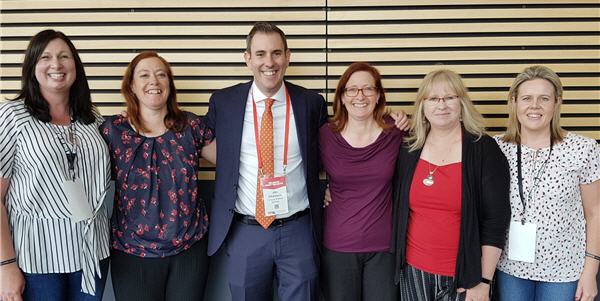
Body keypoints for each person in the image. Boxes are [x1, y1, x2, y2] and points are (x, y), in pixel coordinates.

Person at [203, 21, 327, 300]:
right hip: (246, 230)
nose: (269, 62)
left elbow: (334, 148)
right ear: (247, 58)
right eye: (260, 54)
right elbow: (196, 139)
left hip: (298, 229)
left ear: (288, 56)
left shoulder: (311, 103)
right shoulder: (224, 102)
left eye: (276, 53)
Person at [0, 29, 111, 301]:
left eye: (64, 56)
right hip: (36, 257)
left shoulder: (92, 119)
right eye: (46, 57)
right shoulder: (12, 116)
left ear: (76, 66)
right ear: (32, 67)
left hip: (91, 253)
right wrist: (5, 265)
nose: (56, 64)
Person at [99, 51, 215, 301]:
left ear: (169, 85)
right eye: (144, 75)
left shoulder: (190, 127)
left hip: (189, 248)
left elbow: (235, 162)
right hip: (132, 252)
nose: (154, 81)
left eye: (161, 74)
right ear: (131, 86)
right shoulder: (113, 131)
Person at [391, 69, 511, 301]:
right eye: (433, 98)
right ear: (423, 106)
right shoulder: (409, 148)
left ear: (462, 103)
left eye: (450, 97)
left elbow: (495, 221)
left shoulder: (484, 149)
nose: (441, 105)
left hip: (465, 277)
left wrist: (483, 281)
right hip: (413, 271)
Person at [493, 65, 599, 301]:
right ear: (514, 102)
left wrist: (591, 270)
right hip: (511, 268)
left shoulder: (583, 149)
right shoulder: (496, 148)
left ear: (557, 103)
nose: (535, 106)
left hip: (564, 270)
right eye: (527, 98)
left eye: (544, 98)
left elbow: (595, 212)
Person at [319, 62, 404, 301]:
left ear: (378, 95)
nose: (360, 96)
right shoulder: (326, 135)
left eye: (367, 89)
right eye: (352, 89)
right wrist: (322, 189)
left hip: (384, 247)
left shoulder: (396, 132)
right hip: (338, 246)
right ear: (342, 97)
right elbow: (300, 171)